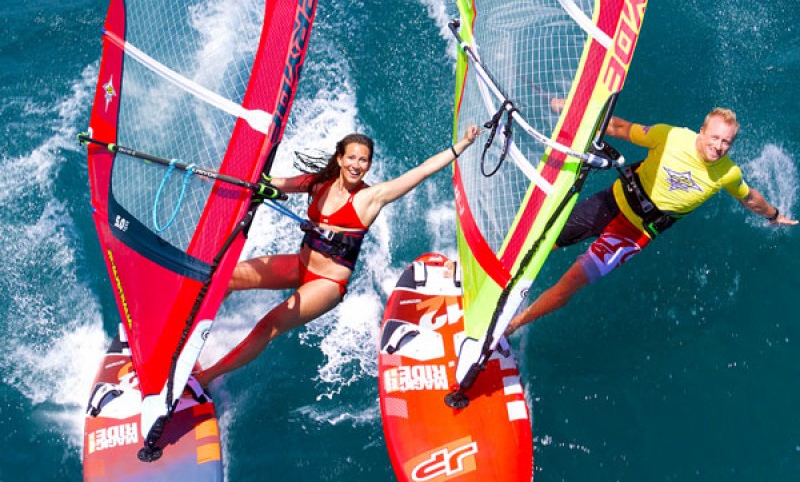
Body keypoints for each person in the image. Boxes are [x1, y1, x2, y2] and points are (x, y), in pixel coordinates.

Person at [195, 126, 480, 387]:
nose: (357, 165)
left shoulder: (371, 198)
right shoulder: (320, 184)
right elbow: (273, 183)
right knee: (226, 276)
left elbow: (420, 172)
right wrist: (211, 174)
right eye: (352, 158)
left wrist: (462, 145)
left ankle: (206, 378)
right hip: (300, 265)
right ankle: (193, 331)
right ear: (341, 159)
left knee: (268, 325)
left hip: (327, 283)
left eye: (363, 160)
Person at [505, 107, 797, 335]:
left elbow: (748, 198)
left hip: (632, 235)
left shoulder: (727, 173)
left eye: (726, 142)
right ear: (702, 130)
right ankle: (500, 278)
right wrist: (577, 114)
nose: (719, 147)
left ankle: (512, 325)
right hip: (611, 202)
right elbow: (620, 128)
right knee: (542, 244)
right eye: (715, 138)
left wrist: (774, 215)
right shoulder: (669, 136)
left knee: (569, 284)